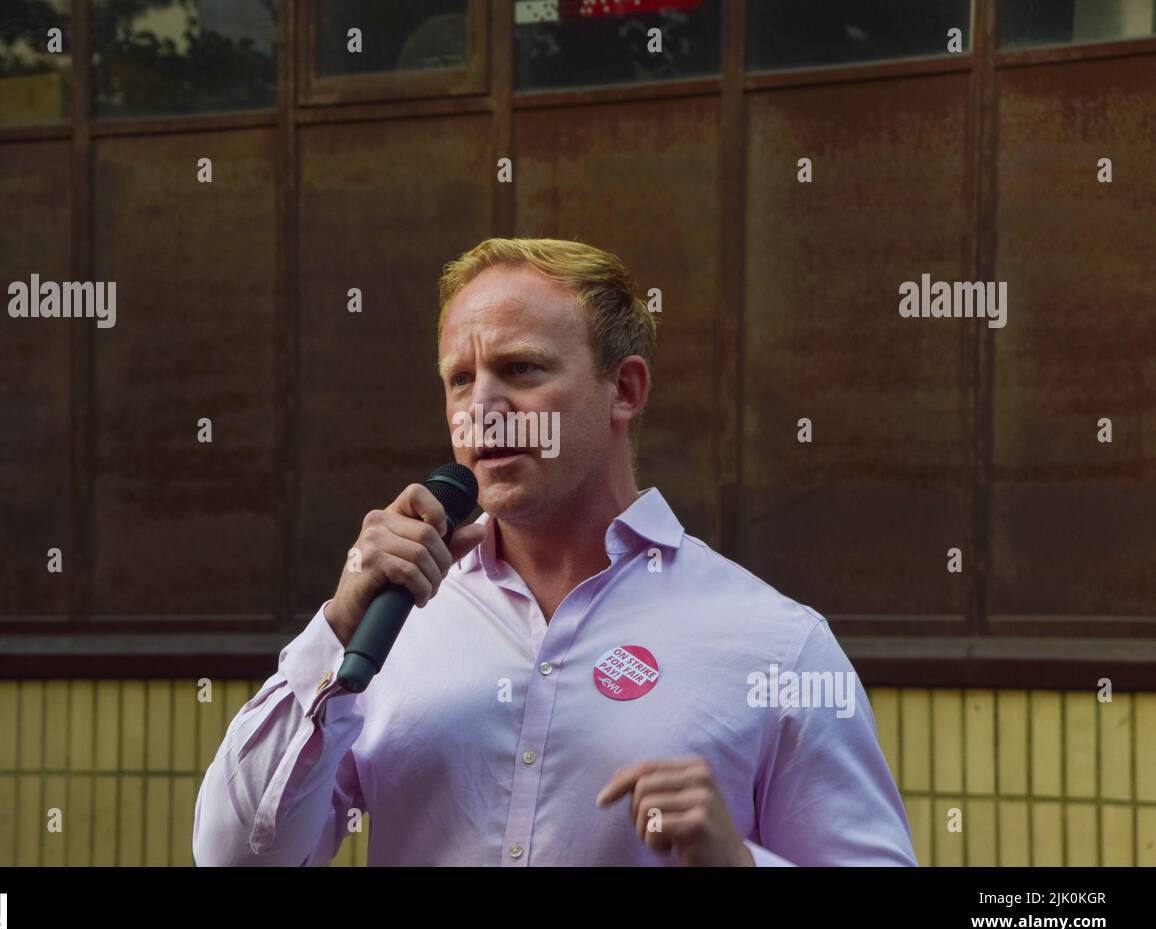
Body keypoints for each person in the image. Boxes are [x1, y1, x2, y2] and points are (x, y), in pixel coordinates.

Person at [193, 237, 917, 866]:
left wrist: (739, 863)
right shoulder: (394, 622)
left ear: (624, 390)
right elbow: (233, 858)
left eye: (521, 370)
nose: (481, 409)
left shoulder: (777, 646)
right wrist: (336, 630)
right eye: (460, 379)